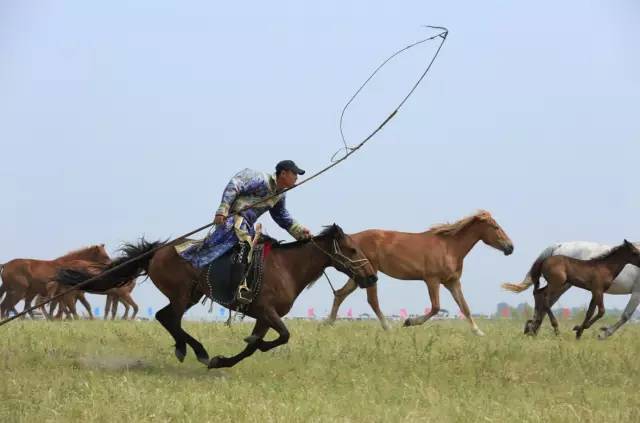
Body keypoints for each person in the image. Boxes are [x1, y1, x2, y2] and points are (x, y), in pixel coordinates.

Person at [180, 160, 312, 277]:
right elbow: (235, 184)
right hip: (233, 221)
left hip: (247, 228)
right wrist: (223, 209)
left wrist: (300, 231)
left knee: (262, 251)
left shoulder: (280, 196)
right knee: (245, 248)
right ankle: (231, 286)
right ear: (283, 173)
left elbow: (282, 217)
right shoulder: (261, 179)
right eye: (294, 174)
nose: (296, 178)